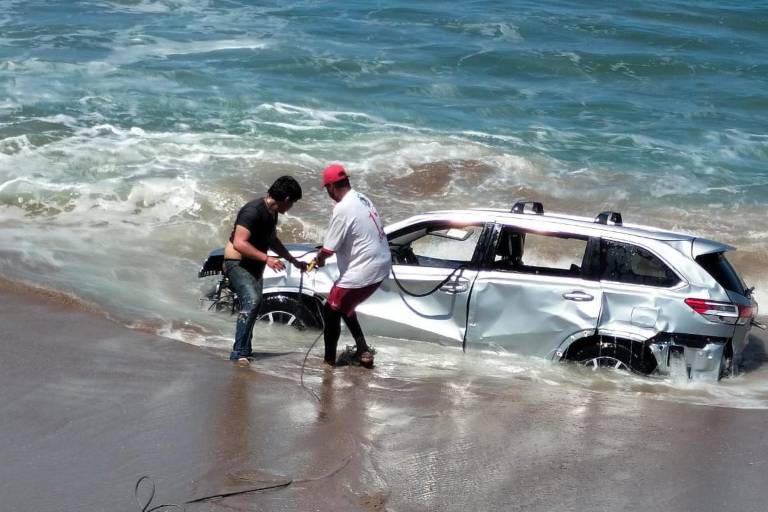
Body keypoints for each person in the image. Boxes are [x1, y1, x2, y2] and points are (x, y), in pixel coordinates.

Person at [315, 164, 391, 369]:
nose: (329, 194)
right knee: (345, 306)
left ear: (331, 187)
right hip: (382, 265)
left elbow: (328, 249)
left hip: (364, 270)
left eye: (328, 189)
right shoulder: (361, 198)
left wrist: (318, 259)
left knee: (330, 309)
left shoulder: (342, 208)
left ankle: (328, 363)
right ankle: (363, 350)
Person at [224, 175, 306, 365]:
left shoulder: (272, 213)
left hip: (254, 265)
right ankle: (238, 353)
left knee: (254, 305)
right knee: (252, 302)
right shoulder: (252, 211)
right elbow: (239, 243)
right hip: (237, 263)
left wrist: (292, 259)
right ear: (286, 199)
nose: (291, 207)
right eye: (292, 202)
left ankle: (245, 350)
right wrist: (267, 258)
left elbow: (272, 240)